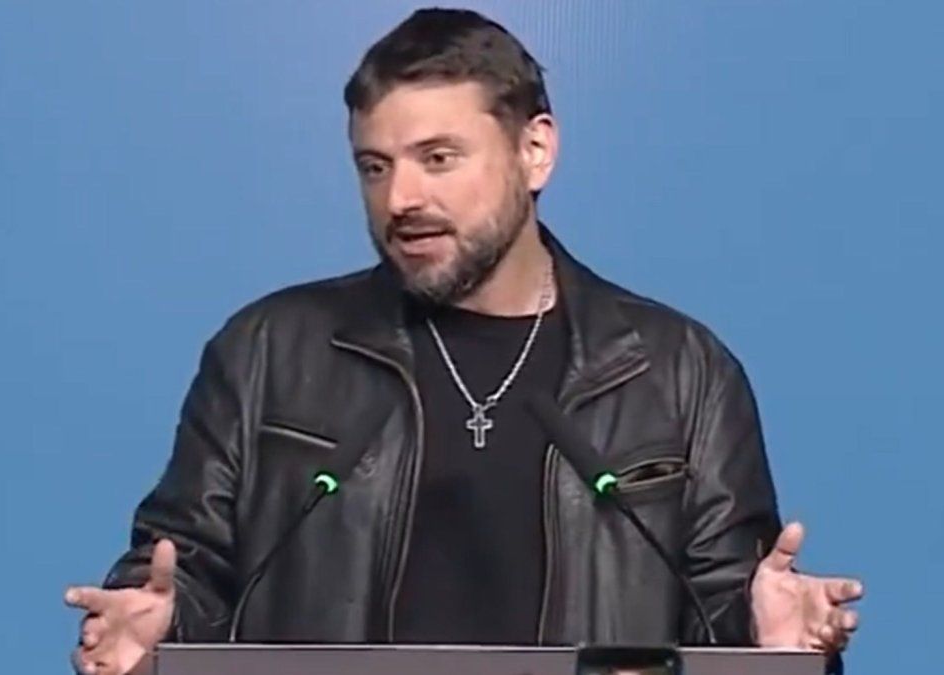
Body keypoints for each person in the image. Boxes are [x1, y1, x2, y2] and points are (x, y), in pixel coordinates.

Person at [64, 8, 863, 675]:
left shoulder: (682, 373)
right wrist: (153, 628)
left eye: (438, 159)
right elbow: (183, 571)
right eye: (374, 167)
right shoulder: (267, 351)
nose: (400, 198)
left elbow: (718, 621)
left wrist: (771, 642)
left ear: (535, 151)